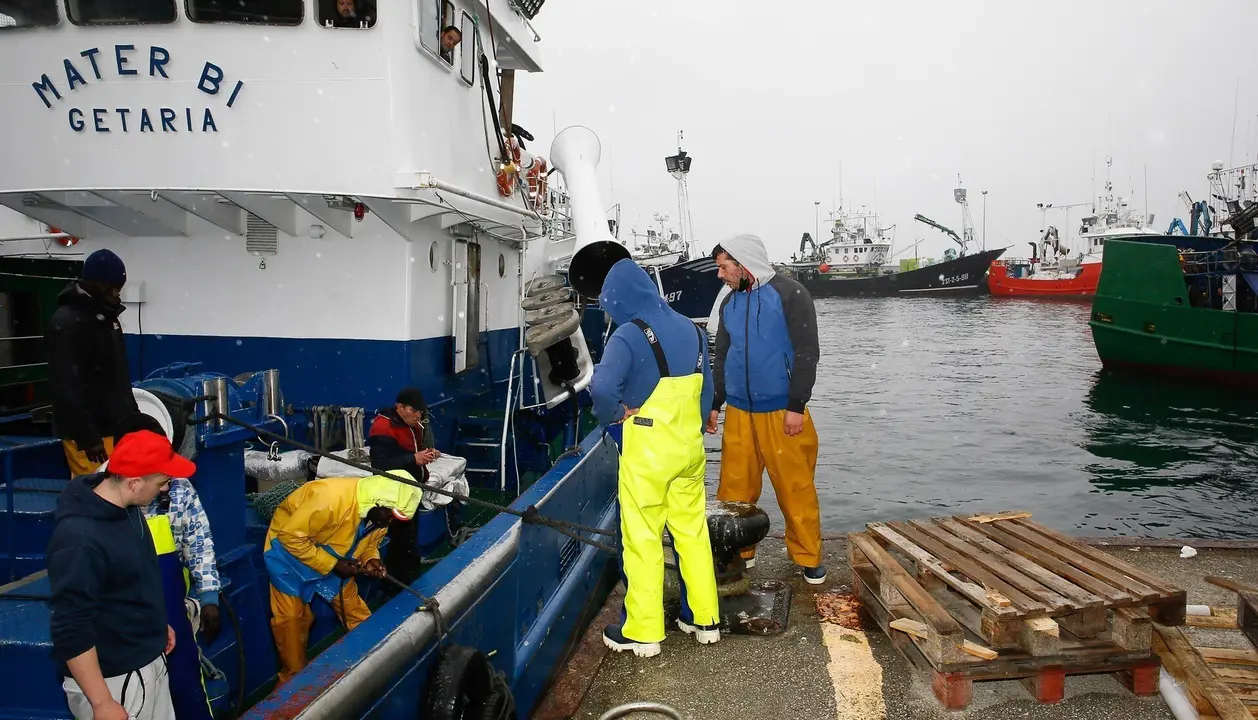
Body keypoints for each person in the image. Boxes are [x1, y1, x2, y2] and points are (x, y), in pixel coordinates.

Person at [590, 258, 721, 658]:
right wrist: (692, 425)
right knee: (692, 533)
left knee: (642, 539)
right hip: (689, 451)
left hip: (648, 454)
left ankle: (644, 632)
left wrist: (615, 414)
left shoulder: (629, 335)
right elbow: (707, 392)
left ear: (618, 298)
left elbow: (601, 389)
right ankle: (704, 619)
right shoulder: (693, 330)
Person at [47, 429, 194, 720]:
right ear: (136, 482)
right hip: (117, 684)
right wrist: (102, 703)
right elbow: (70, 627)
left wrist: (153, 624)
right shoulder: (78, 541)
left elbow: (130, 579)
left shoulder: (127, 507)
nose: (165, 489)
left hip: (147, 661)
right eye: (162, 482)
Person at [707, 234, 826, 584]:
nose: (721, 275)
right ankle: (739, 553)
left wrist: (796, 405)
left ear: (744, 264)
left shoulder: (791, 294)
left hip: (782, 411)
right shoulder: (729, 304)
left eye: (724, 267)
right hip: (740, 413)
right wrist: (715, 403)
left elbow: (807, 351)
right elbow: (723, 358)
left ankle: (807, 556)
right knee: (734, 489)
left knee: (795, 487)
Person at [264, 473, 422, 682]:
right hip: (288, 557)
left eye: (398, 518)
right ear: (379, 502)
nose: (391, 521)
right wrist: (332, 564)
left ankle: (379, 658)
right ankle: (292, 681)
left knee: (355, 610)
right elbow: (290, 538)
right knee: (291, 621)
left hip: (337, 557)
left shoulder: (379, 517)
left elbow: (369, 543)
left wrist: (371, 560)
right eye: (391, 515)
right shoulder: (329, 500)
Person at [47, 248, 140, 477]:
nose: (115, 293)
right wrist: (87, 436)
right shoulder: (67, 322)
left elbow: (117, 379)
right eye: (109, 286)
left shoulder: (108, 318)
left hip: (117, 430)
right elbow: (65, 386)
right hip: (92, 438)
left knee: (120, 496)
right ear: (90, 282)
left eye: (119, 287)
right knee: (93, 498)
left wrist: (134, 421)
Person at [368, 388, 438, 583]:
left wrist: (426, 454)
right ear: (399, 407)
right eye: (414, 410)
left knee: (409, 538)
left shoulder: (411, 424)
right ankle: (397, 585)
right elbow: (380, 465)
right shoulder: (383, 428)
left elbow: (410, 451)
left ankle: (410, 575)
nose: (418, 415)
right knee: (401, 541)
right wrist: (413, 459)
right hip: (394, 495)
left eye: (420, 412)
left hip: (410, 492)